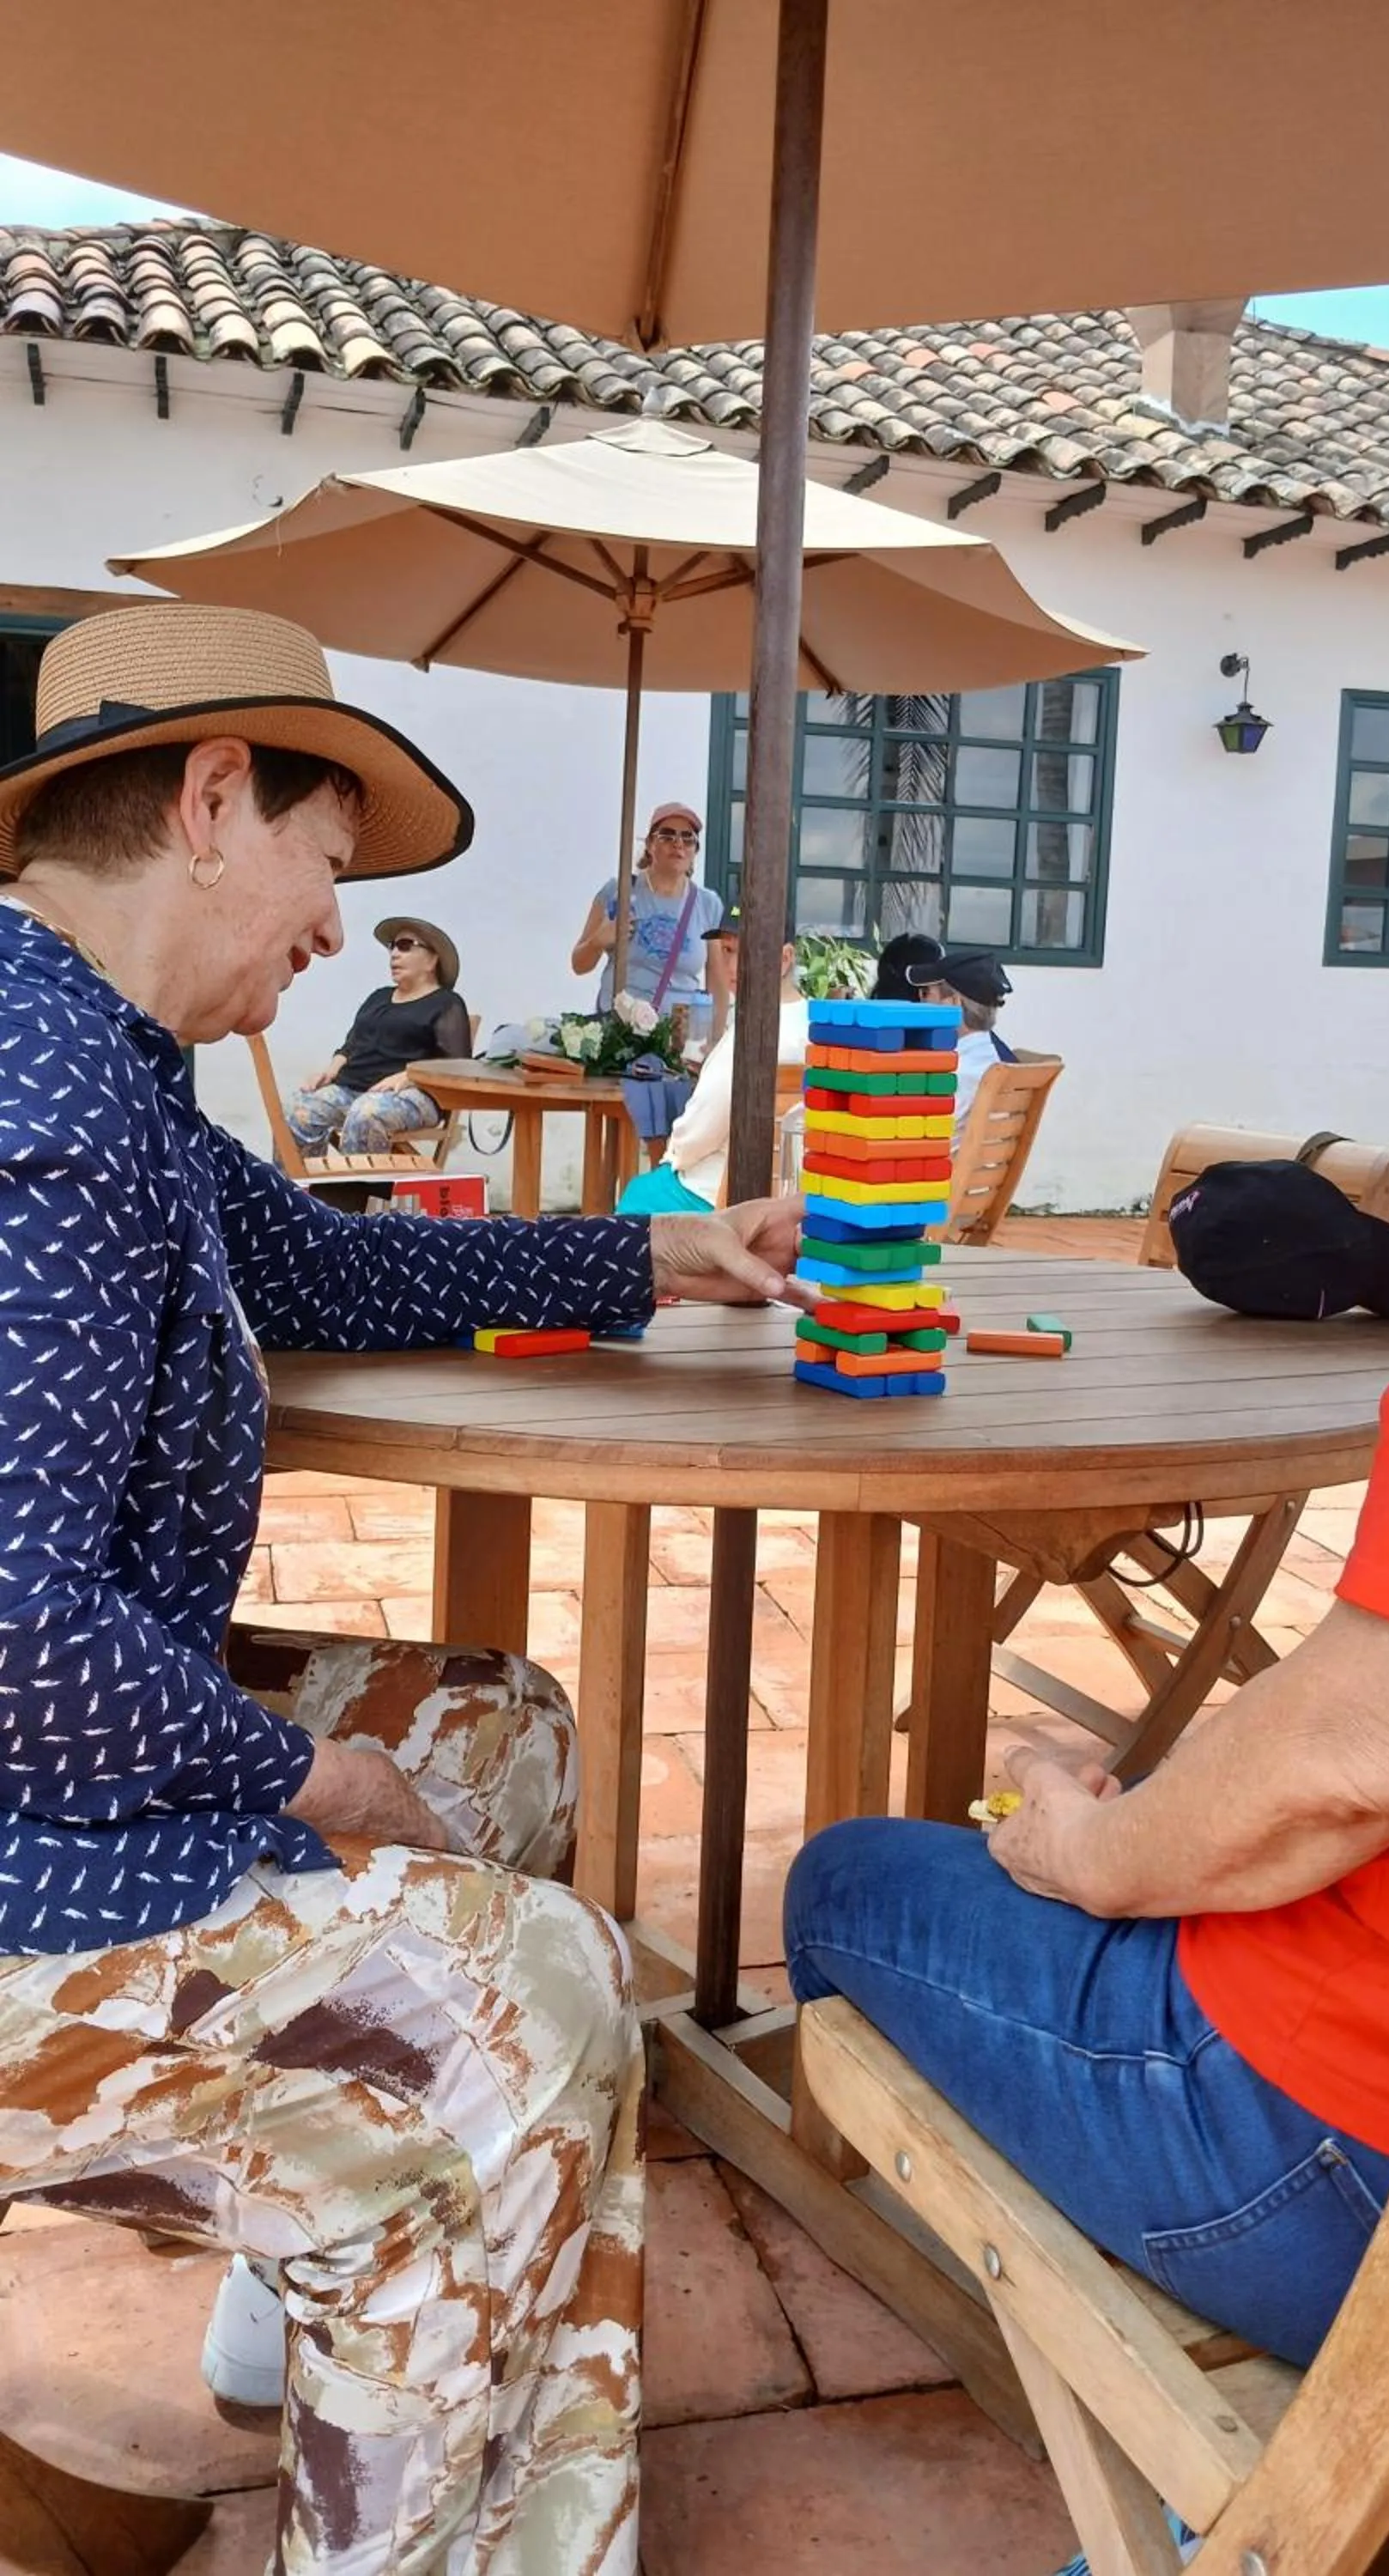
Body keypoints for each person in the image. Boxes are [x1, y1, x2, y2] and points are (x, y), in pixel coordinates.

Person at [0, 603, 806, 2576]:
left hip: (47, 1761)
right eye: (329, 866)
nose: (338, 935)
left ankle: (321, 2273)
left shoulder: (94, 1061)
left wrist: (651, 1259)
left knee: (488, 1726)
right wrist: (309, 1792)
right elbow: (14, 1629)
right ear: (212, 799)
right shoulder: (49, 1122)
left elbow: (334, 1267)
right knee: (535, 1996)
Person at [787, 1267, 1389, 2390]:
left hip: (1348, 2183)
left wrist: (1088, 1853)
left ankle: (982, 2334)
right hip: (1376, 2148)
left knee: (841, 1883)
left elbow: (1357, 1761)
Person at [620, 905, 810, 1212]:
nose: (732, 966)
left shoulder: (752, 1036)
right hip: (785, 1197)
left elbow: (698, 1133)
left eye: (744, 953)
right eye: (727, 951)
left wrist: (673, 1157)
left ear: (785, 959)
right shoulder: (813, 1025)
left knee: (636, 1198)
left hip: (714, 1194)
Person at [284, 912, 471, 1153]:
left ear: (432, 960)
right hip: (352, 1090)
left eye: (405, 946)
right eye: (392, 947)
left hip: (414, 1096)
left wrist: (409, 1076)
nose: (394, 954)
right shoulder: (378, 997)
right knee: (299, 1108)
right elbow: (351, 1045)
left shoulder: (447, 1004)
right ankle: (297, 1188)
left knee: (366, 1113)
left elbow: (457, 1065)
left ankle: (356, 1191)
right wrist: (330, 1071)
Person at [571, 799, 730, 1040]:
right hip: (618, 1034)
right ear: (650, 845)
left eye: (688, 838)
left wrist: (715, 1042)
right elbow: (579, 965)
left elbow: (717, 979)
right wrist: (597, 941)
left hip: (677, 1040)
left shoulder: (707, 904)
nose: (678, 844)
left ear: (695, 851)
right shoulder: (619, 891)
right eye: (667, 835)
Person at [874, 933, 1016, 1150]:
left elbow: (904, 1137)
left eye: (925, 993)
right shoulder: (994, 1061)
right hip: (975, 1179)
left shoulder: (956, 1074)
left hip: (929, 1178)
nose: (920, 1002)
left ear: (953, 1004)